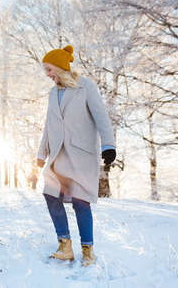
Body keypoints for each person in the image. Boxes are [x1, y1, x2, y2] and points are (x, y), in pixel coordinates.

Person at [37, 45, 116, 267]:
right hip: (57, 157)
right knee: (50, 195)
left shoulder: (86, 87)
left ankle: (87, 250)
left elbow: (101, 116)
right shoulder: (53, 93)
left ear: (60, 67)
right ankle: (65, 246)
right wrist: (41, 153)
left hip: (81, 156)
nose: (47, 75)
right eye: (45, 70)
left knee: (81, 203)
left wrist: (108, 145)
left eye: (49, 69)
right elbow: (48, 125)